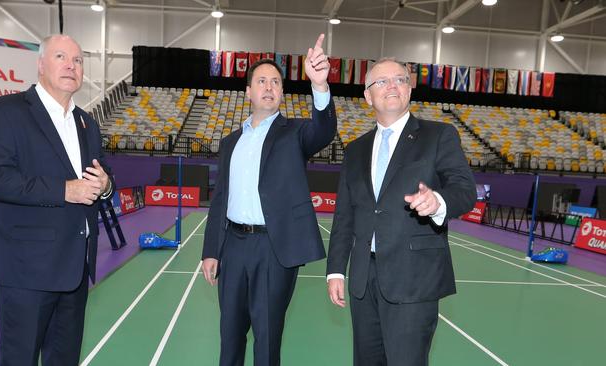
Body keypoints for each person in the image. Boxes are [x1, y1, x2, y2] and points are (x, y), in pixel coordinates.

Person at [0, 34, 113, 366]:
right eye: (61, 57)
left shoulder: (87, 123)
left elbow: (100, 173)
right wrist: (64, 190)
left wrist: (106, 185)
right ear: (40, 64)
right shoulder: (3, 112)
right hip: (27, 269)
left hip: (75, 269)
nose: (71, 66)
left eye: (78, 61)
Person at [326, 58, 476, 366]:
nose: (392, 86)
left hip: (414, 280)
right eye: (382, 81)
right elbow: (344, 216)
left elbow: (465, 192)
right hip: (363, 281)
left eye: (400, 79)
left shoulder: (439, 135)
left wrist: (437, 201)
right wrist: (336, 269)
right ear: (368, 96)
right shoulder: (354, 149)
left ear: (408, 89)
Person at [201, 34, 336, 366]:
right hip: (232, 245)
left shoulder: (295, 134)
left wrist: (319, 85)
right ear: (248, 91)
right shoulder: (230, 142)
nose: (269, 86)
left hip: (274, 249)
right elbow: (220, 199)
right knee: (229, 335)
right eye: (261, 81)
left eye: (275, 82)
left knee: (267, 338)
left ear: (281, 92)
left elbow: (324, 130)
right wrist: (210, 251)